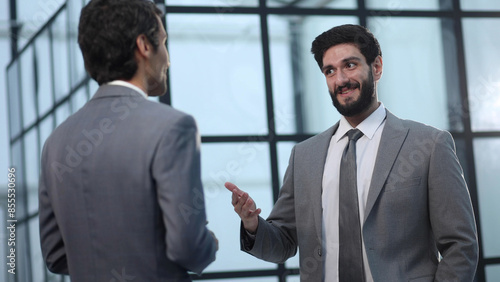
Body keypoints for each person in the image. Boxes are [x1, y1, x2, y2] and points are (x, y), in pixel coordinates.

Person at [226, 24, 478, 282]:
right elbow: (284, 243)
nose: (341, 80)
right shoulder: (304, 156)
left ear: (376, 67)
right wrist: (253, 225)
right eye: (330, 71)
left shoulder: (429, 145)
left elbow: (461, 246)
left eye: (350, 65)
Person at [38, 0, 217, 281]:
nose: (168, 59)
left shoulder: (56, 142)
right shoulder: (173, 127)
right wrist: (207, 242)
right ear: (144, 46)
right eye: (164, 43)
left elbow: (55, 256)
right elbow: (188, 248)